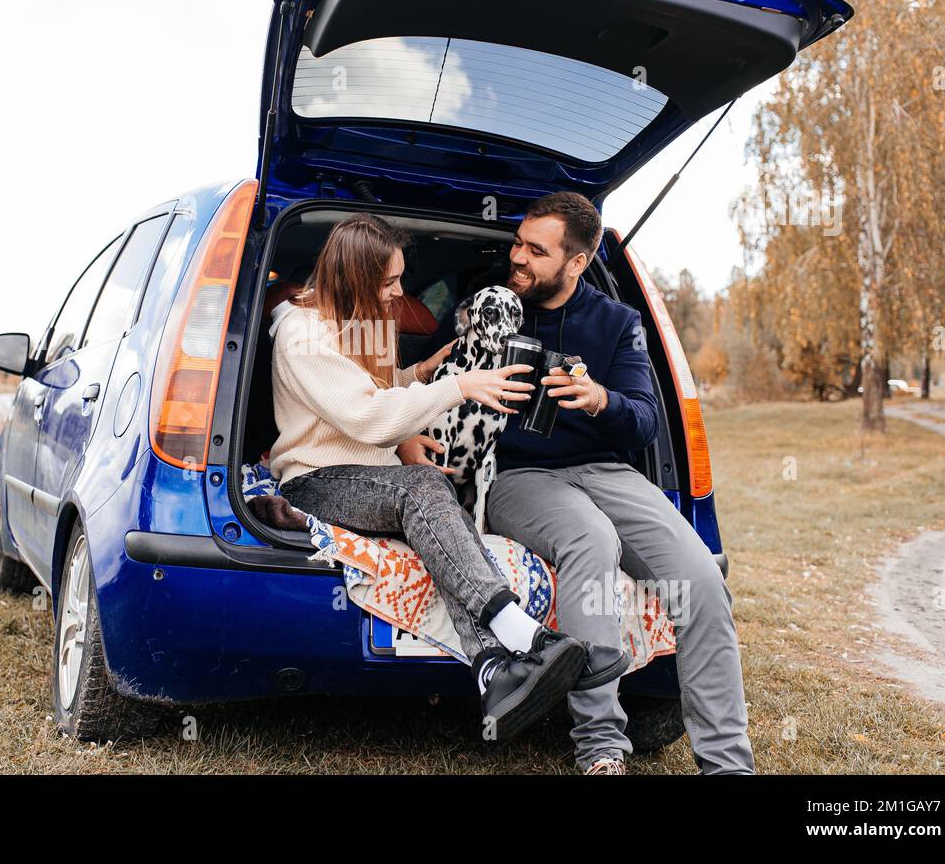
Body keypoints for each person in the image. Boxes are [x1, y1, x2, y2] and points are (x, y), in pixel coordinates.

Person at [403, 191, 755, 774]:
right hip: (518, 476)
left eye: (535, 251)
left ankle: (727, 766)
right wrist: (407, 433)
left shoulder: (617, 322)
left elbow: (644, 418)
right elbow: (435, 375)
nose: (517, 256)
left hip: (607, 472)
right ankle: (601, 749)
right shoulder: (488, 304)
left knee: (701, 583)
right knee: (591, 541)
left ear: (577, 262)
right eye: (518, 241)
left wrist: (600, 400)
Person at [268, 212, 625, 741]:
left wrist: (422, 372)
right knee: (425, 488)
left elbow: (380, 391)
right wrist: (459, 388)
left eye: (398, 279)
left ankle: (492, 671)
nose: (398, 292)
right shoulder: (300, 334)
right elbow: (366, 414)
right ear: (354, 279)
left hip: (375, 476)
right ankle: (526, 634)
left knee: (439, 521)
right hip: (315, 479)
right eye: (388, 282)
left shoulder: (368, 322)